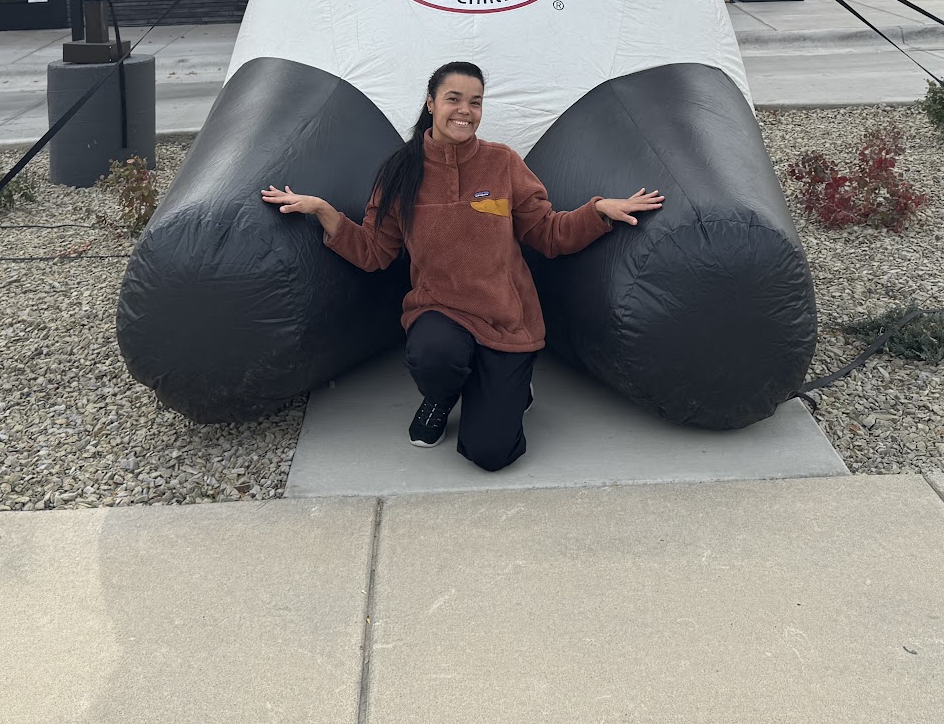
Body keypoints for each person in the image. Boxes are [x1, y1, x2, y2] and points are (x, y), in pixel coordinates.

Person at [261, 61, 663, 471]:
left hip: (506, 320)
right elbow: (373, 251)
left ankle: (512, 387)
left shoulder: (503, 162)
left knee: (491, 453)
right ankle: (440, 395)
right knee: (434, 356)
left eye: (475, 102)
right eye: (453, 99)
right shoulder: (400, 172)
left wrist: (599, 211)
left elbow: (548, 233)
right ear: (431, 103)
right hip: (440, 311)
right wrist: (323, 211)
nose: (465, 111)